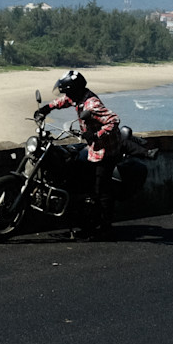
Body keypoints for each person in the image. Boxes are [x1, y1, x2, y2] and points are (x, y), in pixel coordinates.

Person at [37, 70, 121, 239]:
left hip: (105, 150)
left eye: (68, 90)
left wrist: (95, 135)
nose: (66, 94)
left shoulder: (91, 104)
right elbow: (64, 101)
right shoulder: (77, 97)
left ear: (75, 89)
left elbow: (113, 120)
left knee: (100, 190)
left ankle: (105, 228)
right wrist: (46, 109)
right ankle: (83, 218)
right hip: (92, 148)